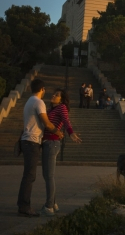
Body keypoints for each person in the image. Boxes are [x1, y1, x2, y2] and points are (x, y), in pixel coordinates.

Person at [17, 79, 64, 218]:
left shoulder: (29, 101)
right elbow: (47, 123)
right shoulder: (39, 102)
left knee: (29, 175)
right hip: (32, 142)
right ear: (42, 89)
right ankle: (24, 206)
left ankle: (23, 204)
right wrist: (58, 132)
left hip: (27, 141)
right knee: (30, 175)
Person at [41, 89, 82, 216]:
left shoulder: (61, 107)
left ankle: (49, 206)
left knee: (49, 176)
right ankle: (53, 203)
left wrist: (71, 133)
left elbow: (66, 120)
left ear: (62, 99)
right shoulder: (51, 109)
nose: (53, 95)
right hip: (47, 143)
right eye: (54, 94)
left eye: (57, 95)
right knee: (47, 175)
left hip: (52, 143)